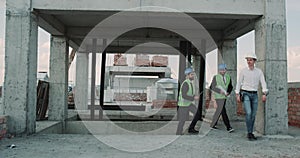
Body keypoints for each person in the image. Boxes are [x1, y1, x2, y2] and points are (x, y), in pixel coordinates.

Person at [235, 53, 268, 141]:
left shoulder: (259, 72)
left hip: (255, 94)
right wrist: (237, 94)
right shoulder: (243, 71)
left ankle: (251, 132)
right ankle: (249, 132)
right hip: (245, 93)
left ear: (254, 61)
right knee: (249, 113)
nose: (249, 62)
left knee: (253, 115)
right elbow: (239, 82)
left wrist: (264, 93)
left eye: (250, 60)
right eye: (247, 60)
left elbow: (263, 82)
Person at [210, 64, 234, 133]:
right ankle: (228, 127)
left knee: (219, 110)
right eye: (221, 70)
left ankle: (213, 124)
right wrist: (219, 91)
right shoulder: (216, 77)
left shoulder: (228, 77)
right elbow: (212, 87)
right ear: (219, 70)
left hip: (224, 96)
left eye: (223, 70)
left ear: (226, 70)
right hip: (218, 97)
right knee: (223, 111)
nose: (222, 71)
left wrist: (228, 92)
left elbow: (230, 86)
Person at [176, 67, 201, 135]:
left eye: (193, 74)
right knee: (182, 120)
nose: (193, 76)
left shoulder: (190, 83)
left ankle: (191, 128)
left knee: (197, 113)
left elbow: (189, 93)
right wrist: (193, 98)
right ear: (187, 75)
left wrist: (194, 96)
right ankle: (178, 132)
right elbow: (184, 95)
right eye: (191, 74)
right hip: (183, 104)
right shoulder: (185, 83)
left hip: (188, 103)